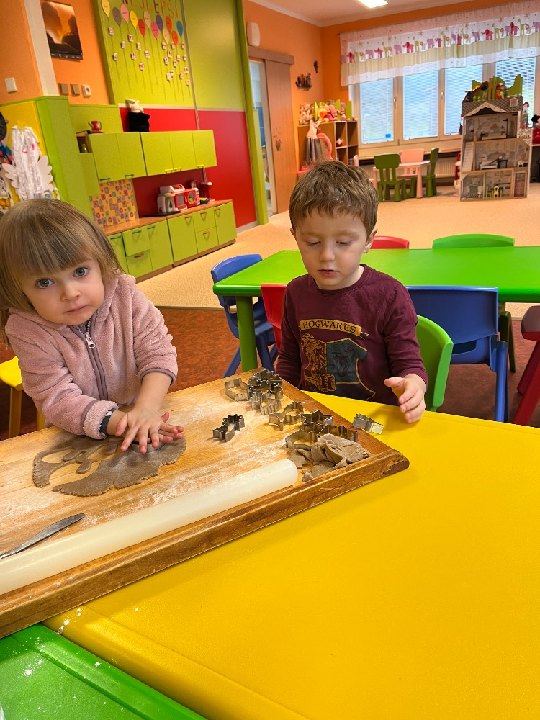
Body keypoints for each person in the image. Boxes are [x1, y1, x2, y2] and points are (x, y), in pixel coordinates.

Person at [0, 199, 183, 452]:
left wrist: (145, 410)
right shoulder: (26, 330)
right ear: (17, 288)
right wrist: (122, 422)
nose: (70, 293)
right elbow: (57, 397)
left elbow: (158, 352)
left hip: (142, 410)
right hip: (80, 431)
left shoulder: (125, 294)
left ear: (101, 261)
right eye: (44, 282)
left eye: (80, 271)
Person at [276, 161, 427, 423]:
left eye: (343, 243)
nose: (326, 256)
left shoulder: (390, 295)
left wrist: (414, 384)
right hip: (315, 416)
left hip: (372, 418)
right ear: (295, 236)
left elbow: (409, 365)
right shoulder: (295, 292)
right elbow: (289, 360)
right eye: (312, 242)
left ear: (368, 239)